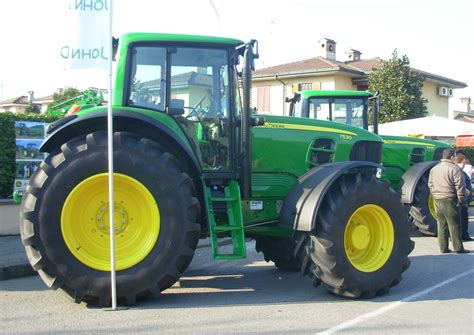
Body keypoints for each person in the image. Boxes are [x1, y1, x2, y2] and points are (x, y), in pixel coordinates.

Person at [428, 148, 469, 254]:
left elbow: (430, 184)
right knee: (454, 224)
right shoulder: (454, 168)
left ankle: (443, 248)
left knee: (441, 224)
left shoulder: (434, 168)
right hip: (450, 198)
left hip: (437, 199)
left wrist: (435, 194)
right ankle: (458, 248)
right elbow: (460, 186)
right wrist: (461, 199)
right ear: (451, 156)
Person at [455, 152, 473, 241]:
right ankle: (463, 236)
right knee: (462, 219)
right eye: (463, 163)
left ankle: (463, 235)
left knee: (463, 219)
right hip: (462, 200)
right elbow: (459, 185)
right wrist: (466, 191)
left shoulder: (460, 172)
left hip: (463, 199)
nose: (464, 165)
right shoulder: (457, 172)